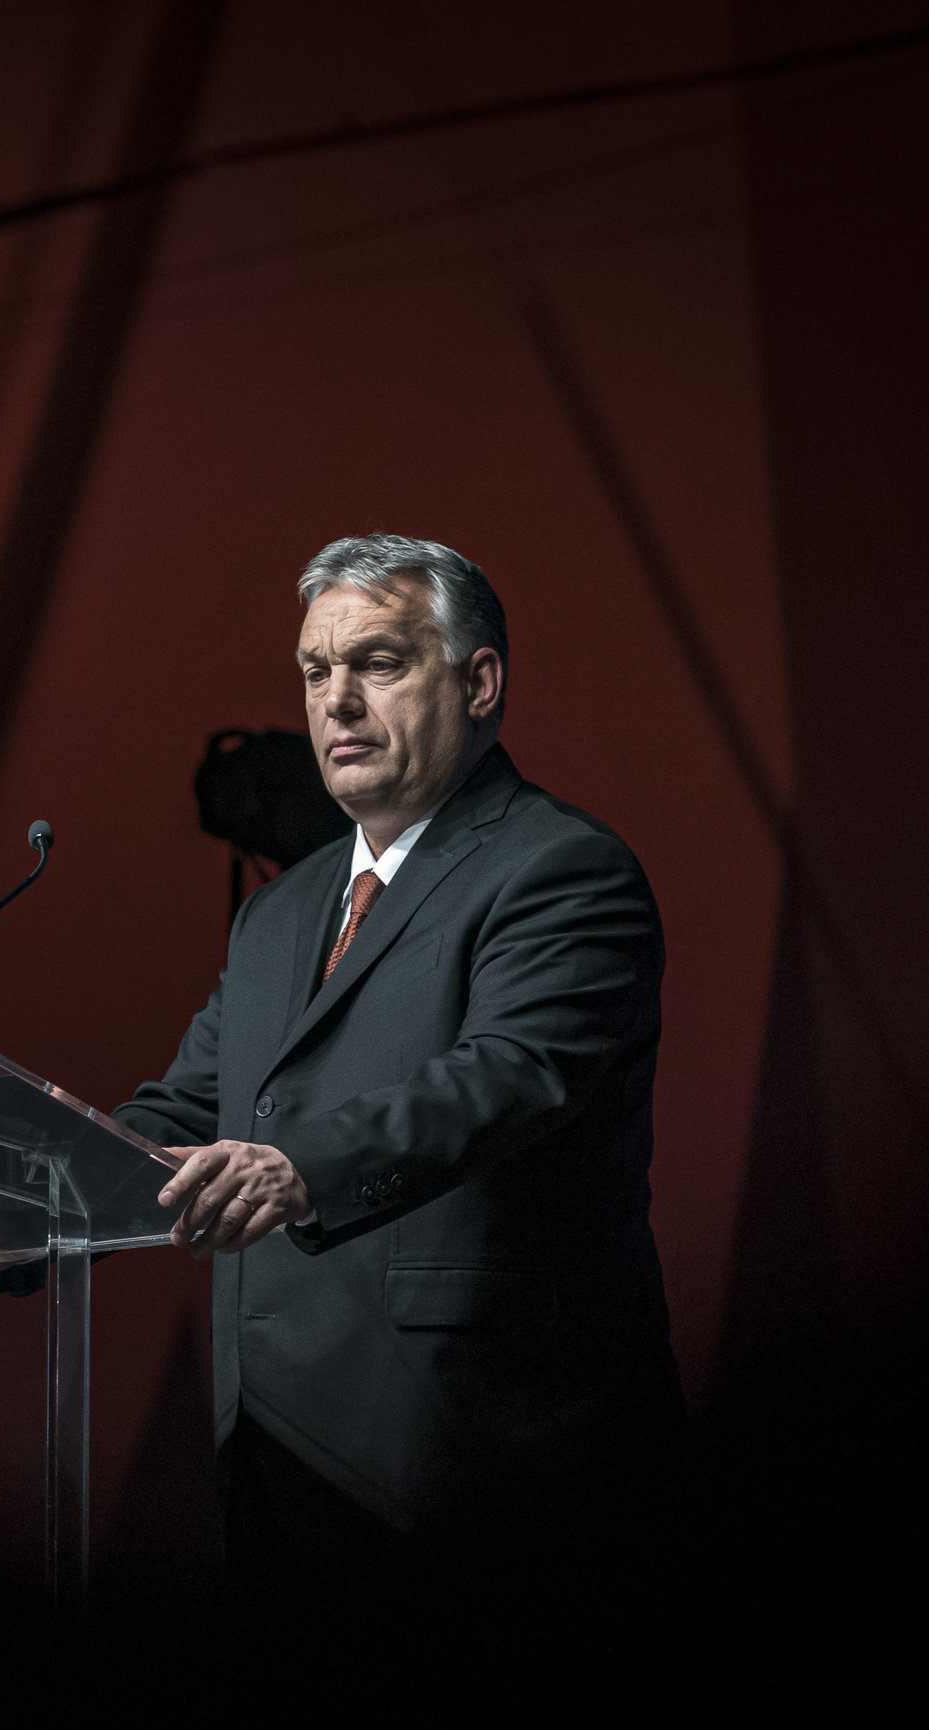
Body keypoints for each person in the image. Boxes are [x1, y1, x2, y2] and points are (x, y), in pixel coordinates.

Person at [112, 533, 683, 1588]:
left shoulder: (561, 868)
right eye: (314, 671)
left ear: (478, 682)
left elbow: (505, 1076)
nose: (334, 701)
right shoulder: (280, 911)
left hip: (475, 1450)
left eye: (376, 663)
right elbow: (194, 1105)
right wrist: (19, 1196)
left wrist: (301, 1169)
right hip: (273, 1448)